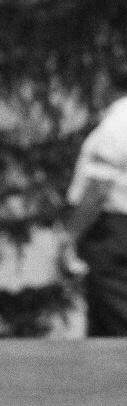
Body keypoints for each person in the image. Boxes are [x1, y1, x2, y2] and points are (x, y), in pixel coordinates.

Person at [64, 63, 127, 337]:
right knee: (104, 326)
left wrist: (71, 236)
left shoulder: (116, 124)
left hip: (113, 233)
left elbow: (99, 188)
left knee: (117, 320)